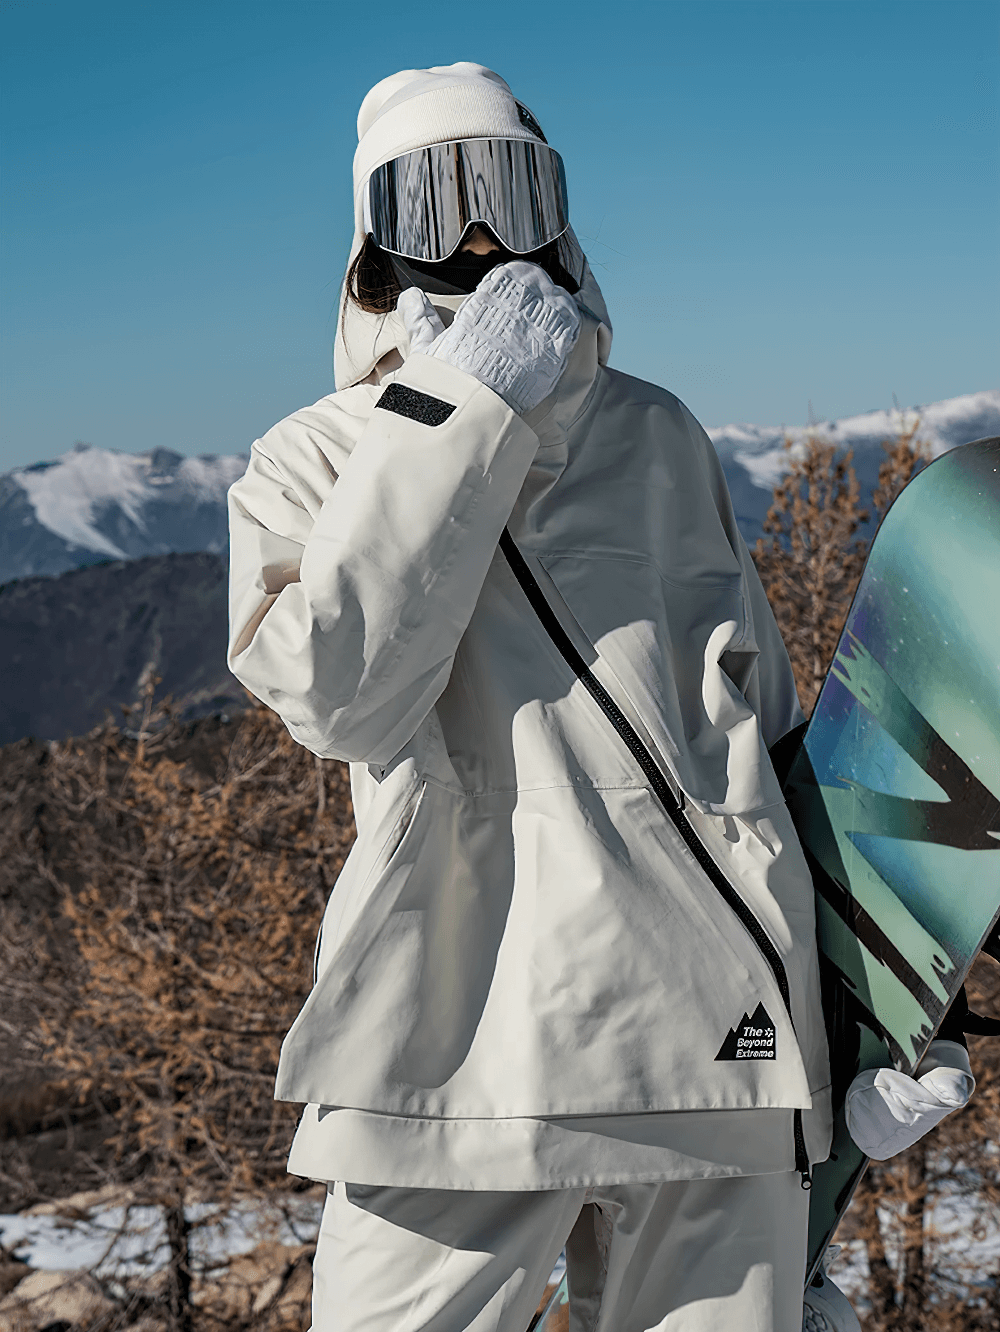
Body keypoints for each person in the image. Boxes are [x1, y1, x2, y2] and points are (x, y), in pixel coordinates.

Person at [227, 62, 974, 1332]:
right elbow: (341, 696)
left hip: (710, 1038)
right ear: (373, 240)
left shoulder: (655, 437)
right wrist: (464, 405)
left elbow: (764, 740)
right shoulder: (315, 456)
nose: (478, 237)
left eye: (512, 194)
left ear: (560, 219)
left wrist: (857, 1014)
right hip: (459, 1046)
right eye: (433, 203)